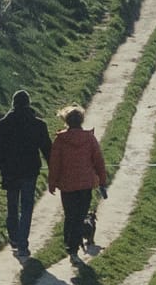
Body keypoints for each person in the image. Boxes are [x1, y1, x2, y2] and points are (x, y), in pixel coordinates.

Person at [0, 89, 52, 259]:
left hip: (10, 172)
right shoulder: (38, 125)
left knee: (12, 206)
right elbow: (47, 149)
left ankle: (14, 237)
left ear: (13, 104)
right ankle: (23, 244)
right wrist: (54, 168)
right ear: (28, 104)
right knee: (26, 207)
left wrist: (2, 167)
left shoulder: (3, 124)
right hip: (29, 171)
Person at [47, 104, 109, 261]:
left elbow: (55, 164)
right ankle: (73, 248)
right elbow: (98, 161)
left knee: (70, 216)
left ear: (65, 120)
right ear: (81, 120)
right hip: (85, 184)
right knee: (80, 215)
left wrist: (52, 182)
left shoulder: (60, 140)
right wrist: (102, 180)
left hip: (67, 185)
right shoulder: (89, 138)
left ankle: (70, 245)